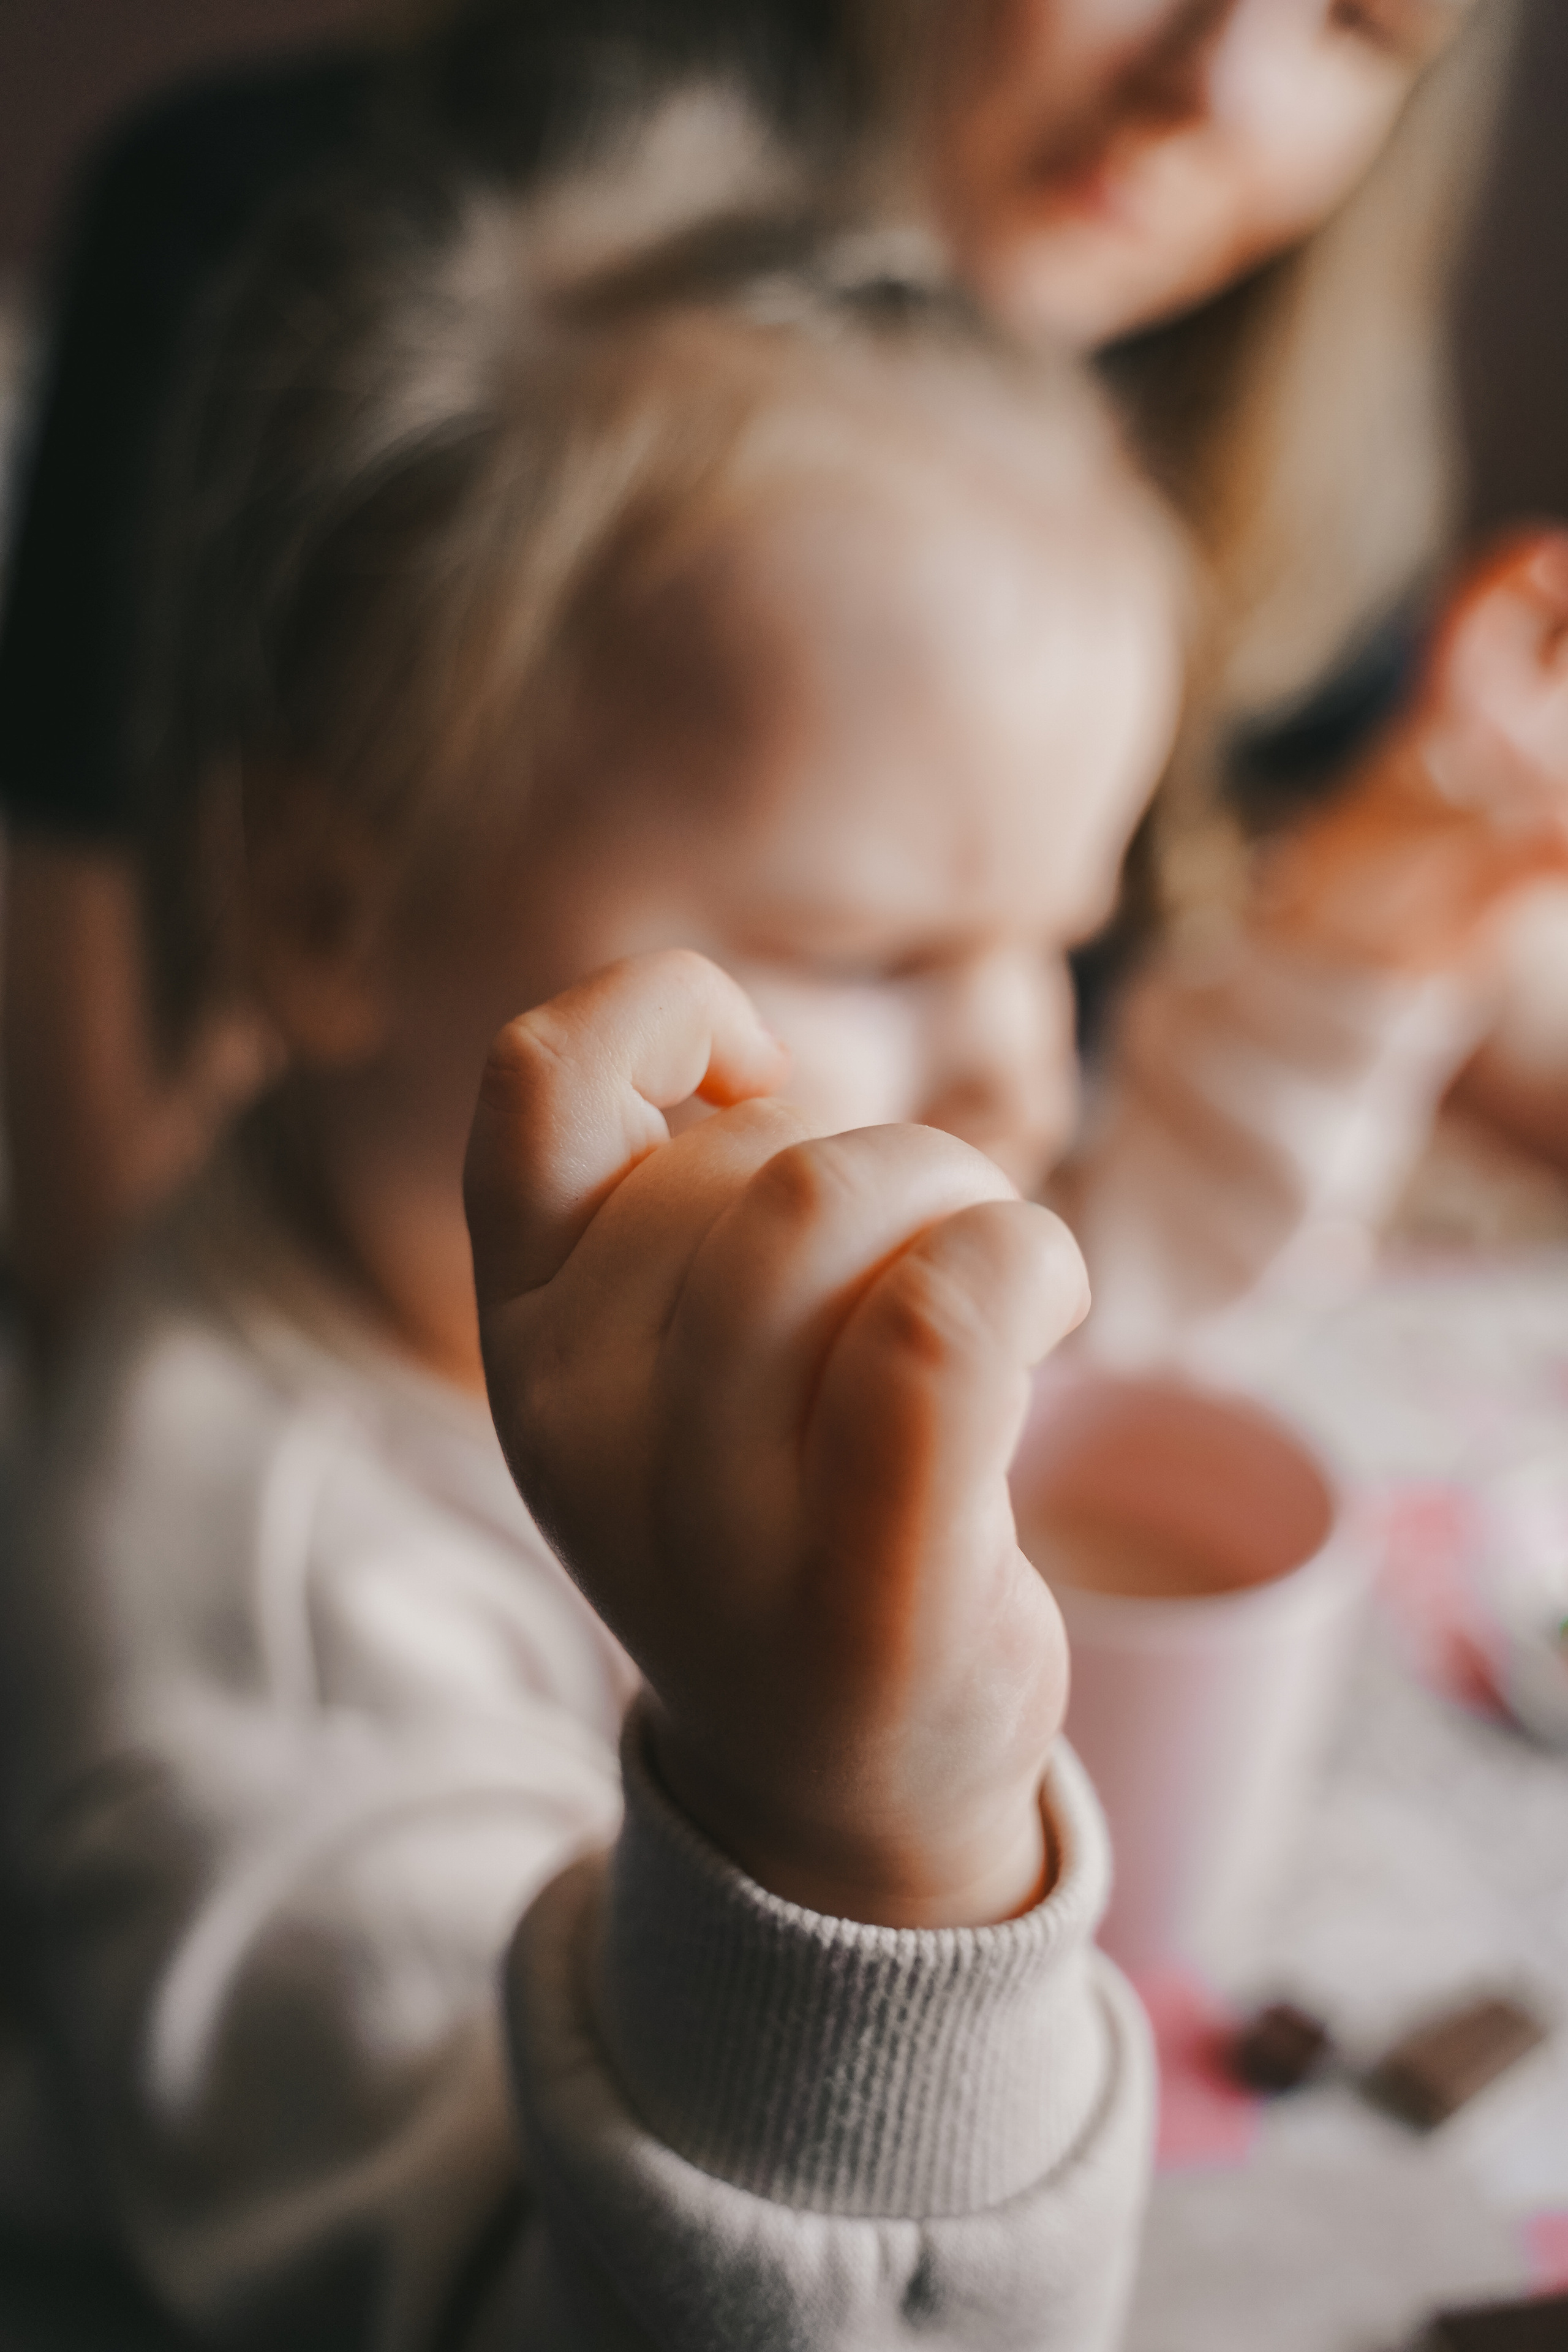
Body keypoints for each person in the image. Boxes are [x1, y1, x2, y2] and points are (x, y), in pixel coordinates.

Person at [4, 167, 1188, 2347]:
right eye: (871, 947)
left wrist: (1331, 1013)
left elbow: (1133, 1282)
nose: (1024, 1061)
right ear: (337, 912)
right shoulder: (282, 1637)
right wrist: (849, 1863)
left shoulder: (605, 1264)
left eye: (1069, 935)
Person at [0, 0, 1529, 1339]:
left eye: (1361, 24)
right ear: (332, 903)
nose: (1218, 83)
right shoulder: (299, 265)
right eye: (871, 948)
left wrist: (1392, 914)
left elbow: (1103, 1241)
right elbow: (134, 1211)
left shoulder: (1250, 491)